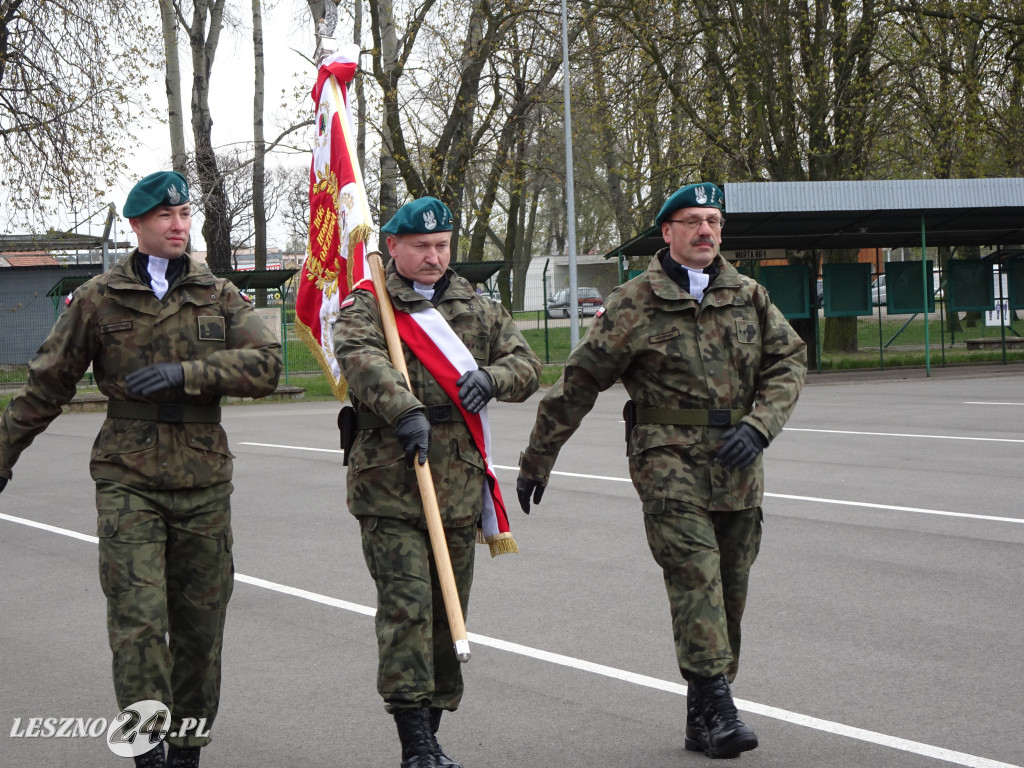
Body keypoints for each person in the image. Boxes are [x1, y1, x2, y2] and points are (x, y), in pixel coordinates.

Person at [0, 171, 283, 768]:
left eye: (184, 215)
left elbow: (266, 366)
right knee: (136, 620)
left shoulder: (219, 295)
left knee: (201, 630)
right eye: (165, 216)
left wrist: (188, 375)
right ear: (137, 225)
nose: (178, 225)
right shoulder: (100, 299)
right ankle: (146, 751)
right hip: (127, 474)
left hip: (203, 479)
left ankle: (187, 752)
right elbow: (46, 385)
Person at [516, 182, 806, 759]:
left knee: (730, 589)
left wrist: (761, 425)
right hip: (667, 462)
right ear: (667, 232)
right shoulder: (632, 303)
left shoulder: (748, 295)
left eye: (714, 221)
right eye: (693, 221)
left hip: (738, 462)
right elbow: (578, 383)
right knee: (695, 578)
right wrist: (537, 460)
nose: (706, 231)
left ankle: (703, 714)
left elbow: (788, 360)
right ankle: (720, 709)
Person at [333, 197, 541, 768]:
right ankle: (415, 743)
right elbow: (359, 358)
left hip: (457, 486)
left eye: (442, 245)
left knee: (452, 613)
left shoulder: (476, 305)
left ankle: (432, 721)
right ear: (392, 248)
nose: (433, 256)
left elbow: (528, 365)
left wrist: (490, 378)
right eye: (421, 247)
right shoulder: (367, 304)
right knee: (407, 607)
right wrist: (404, 408)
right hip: (391, 480)